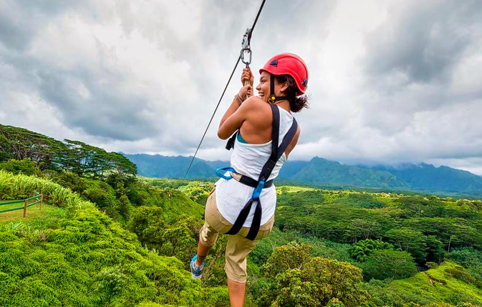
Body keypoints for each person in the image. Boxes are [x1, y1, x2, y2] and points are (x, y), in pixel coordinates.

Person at [191, 53, 309, 307]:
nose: (258, 86)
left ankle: (198, 263)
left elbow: (223, 130)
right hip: (262, 217)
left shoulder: (254, 105)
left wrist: (239, 96)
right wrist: (252, 92)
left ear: (284, 84)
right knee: (236, 260)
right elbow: (269, 128)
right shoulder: (295, 129)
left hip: (226, 208)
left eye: (264, 81)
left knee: (210, 228)